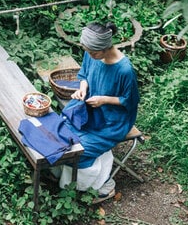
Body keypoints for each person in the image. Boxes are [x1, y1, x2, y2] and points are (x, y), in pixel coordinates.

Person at [54, 21, 140, 203]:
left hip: (113, 120)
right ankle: (66, 177)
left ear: (105, 48)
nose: (89, 55)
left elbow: (130, 102)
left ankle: (104, 184)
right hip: (89, 108)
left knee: (79, 149)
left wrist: (104, 100)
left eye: (92, 53)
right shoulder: (91, 54)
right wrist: (82, 89)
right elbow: (84, 75)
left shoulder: (124, 70)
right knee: (60, 131)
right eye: (87, 51)